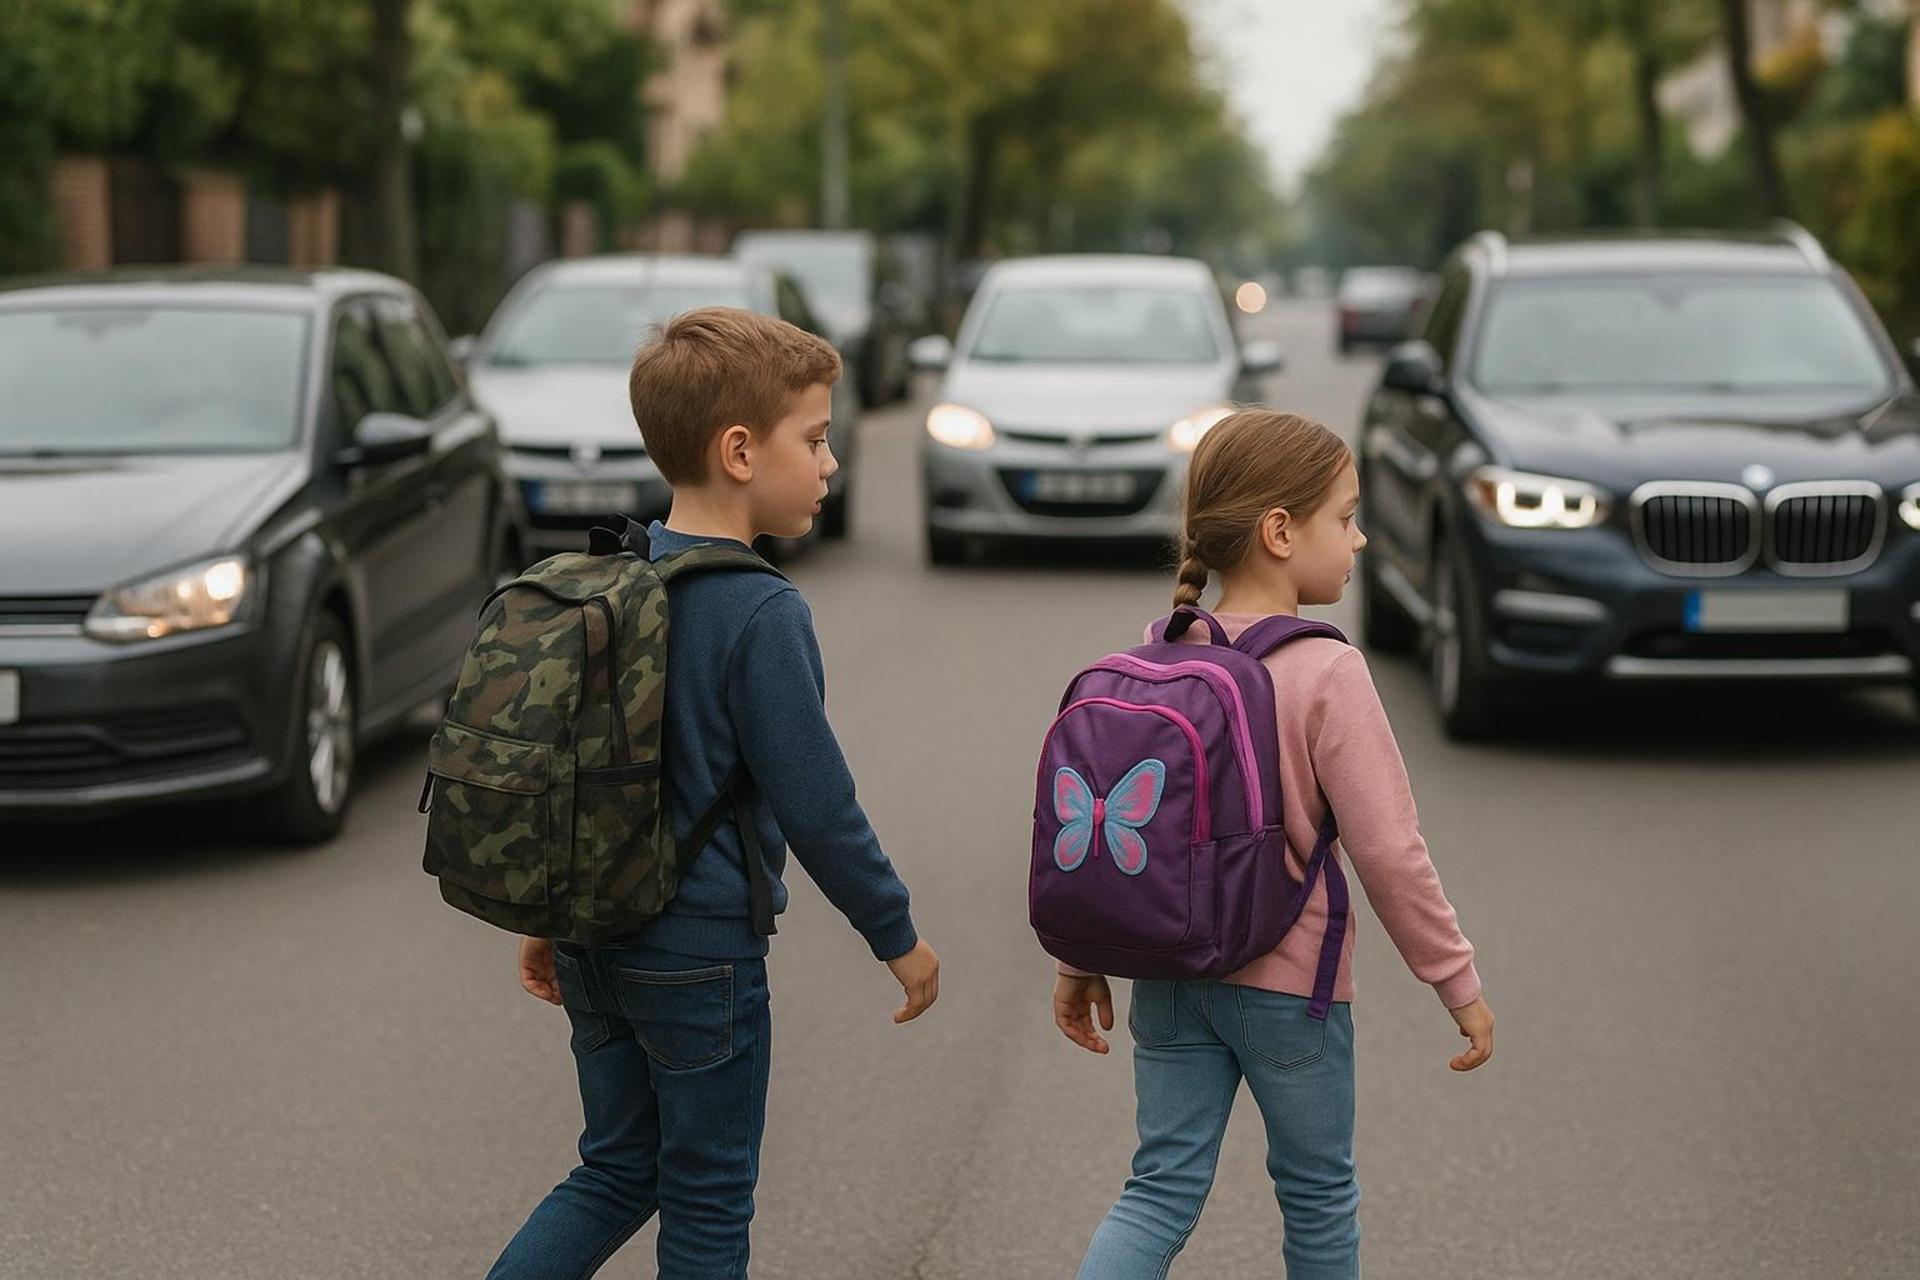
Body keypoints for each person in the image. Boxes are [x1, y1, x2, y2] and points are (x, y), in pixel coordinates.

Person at [488, 307, 941, 1279]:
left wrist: (544, 918)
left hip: (591, 939)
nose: (828, 462)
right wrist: (897, 936)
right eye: (814, 439)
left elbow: (567, 770)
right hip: (698, 958)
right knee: (707, 1198)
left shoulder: (609, 579)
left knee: (613, 1168)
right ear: (740, 450)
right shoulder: (762, 611)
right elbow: (820, 805)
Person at [1053, 409, 1494, 1280]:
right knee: (1319, 1198)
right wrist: (1457, 980)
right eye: (1346, 516)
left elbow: (1119, 839)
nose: (1361, 539)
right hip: (1294, 993)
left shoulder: (1158, 653)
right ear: (1281, 532)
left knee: (1157, 1192)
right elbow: (1391, 855)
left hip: (1172, 980)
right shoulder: (1328, 670)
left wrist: (1079, 961)